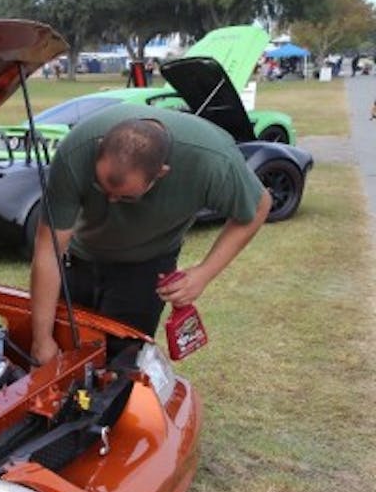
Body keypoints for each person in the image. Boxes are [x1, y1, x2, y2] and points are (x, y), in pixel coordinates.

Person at [29, 105, 271, 364]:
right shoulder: (76, 151)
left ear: (161, 174)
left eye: (125, 197)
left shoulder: (211, 160)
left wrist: (204, 273)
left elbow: (258, 206)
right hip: (79, 258)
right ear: (99, 148)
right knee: (68, 350)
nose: (111, 201)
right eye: (101, 187)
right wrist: (41, 340)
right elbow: (48, 250)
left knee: (120, 364)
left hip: (146, 265)